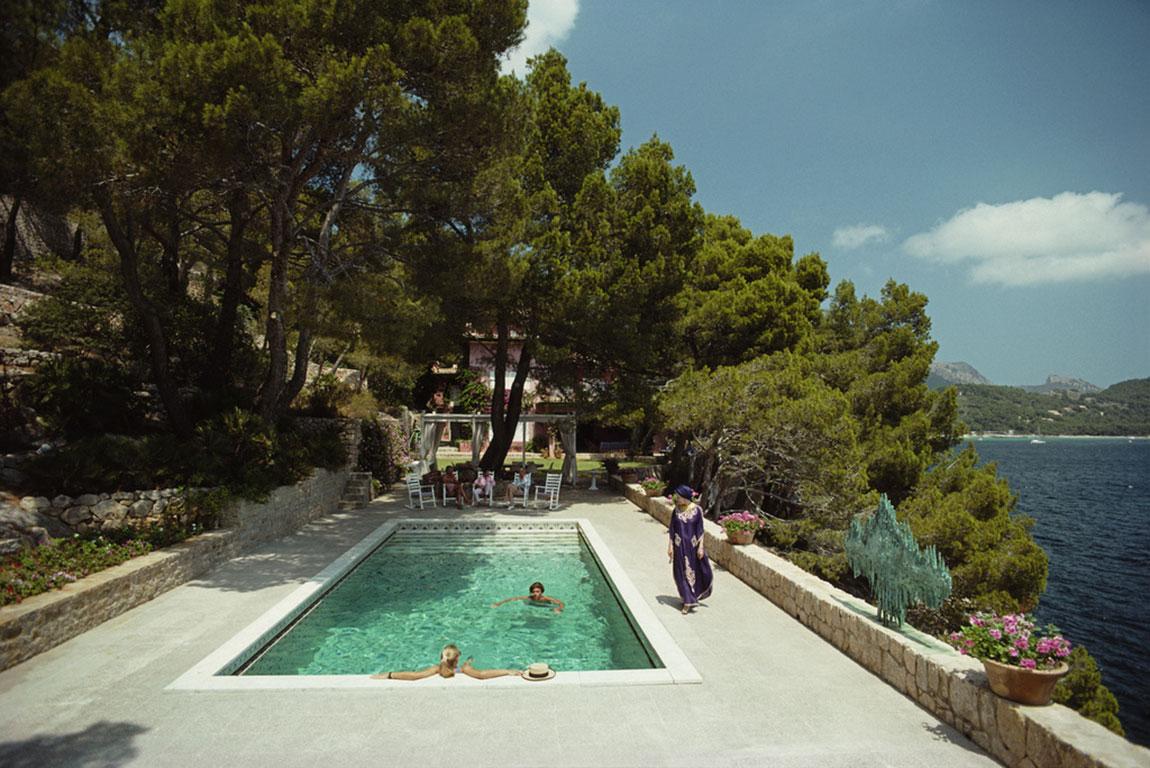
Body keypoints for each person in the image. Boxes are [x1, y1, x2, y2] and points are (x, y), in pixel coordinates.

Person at [668, 485, 713, 615]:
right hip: (679, 546)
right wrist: (670, 546)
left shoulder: (697, 510)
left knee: (692, 571)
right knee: (680, 573)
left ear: (686, 497)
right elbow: (672, 529)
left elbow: (700, 530)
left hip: (692, 547)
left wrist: (700, 547)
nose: (677, 499)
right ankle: (687, 600)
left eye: (679, 497)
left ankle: (691, 596)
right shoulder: (676, 510)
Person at [371, 644, 522, 681]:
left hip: (444, 666)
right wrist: (508, 671)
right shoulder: (464, 668)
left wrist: (390, 674)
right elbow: (483, 675)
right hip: (465, 667)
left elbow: (414, 676)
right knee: (472, 658)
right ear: (457, 659)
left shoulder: (437, 668)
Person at [492, 581, 565, 613]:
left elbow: (561, 603)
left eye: (537, 591)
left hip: (545, 606)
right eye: (533, 592)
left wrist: (558, 609)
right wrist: (498, 603)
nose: (535, 593)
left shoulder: (546, 598)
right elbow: (513, 599)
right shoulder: (529, 598)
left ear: (541, 592)